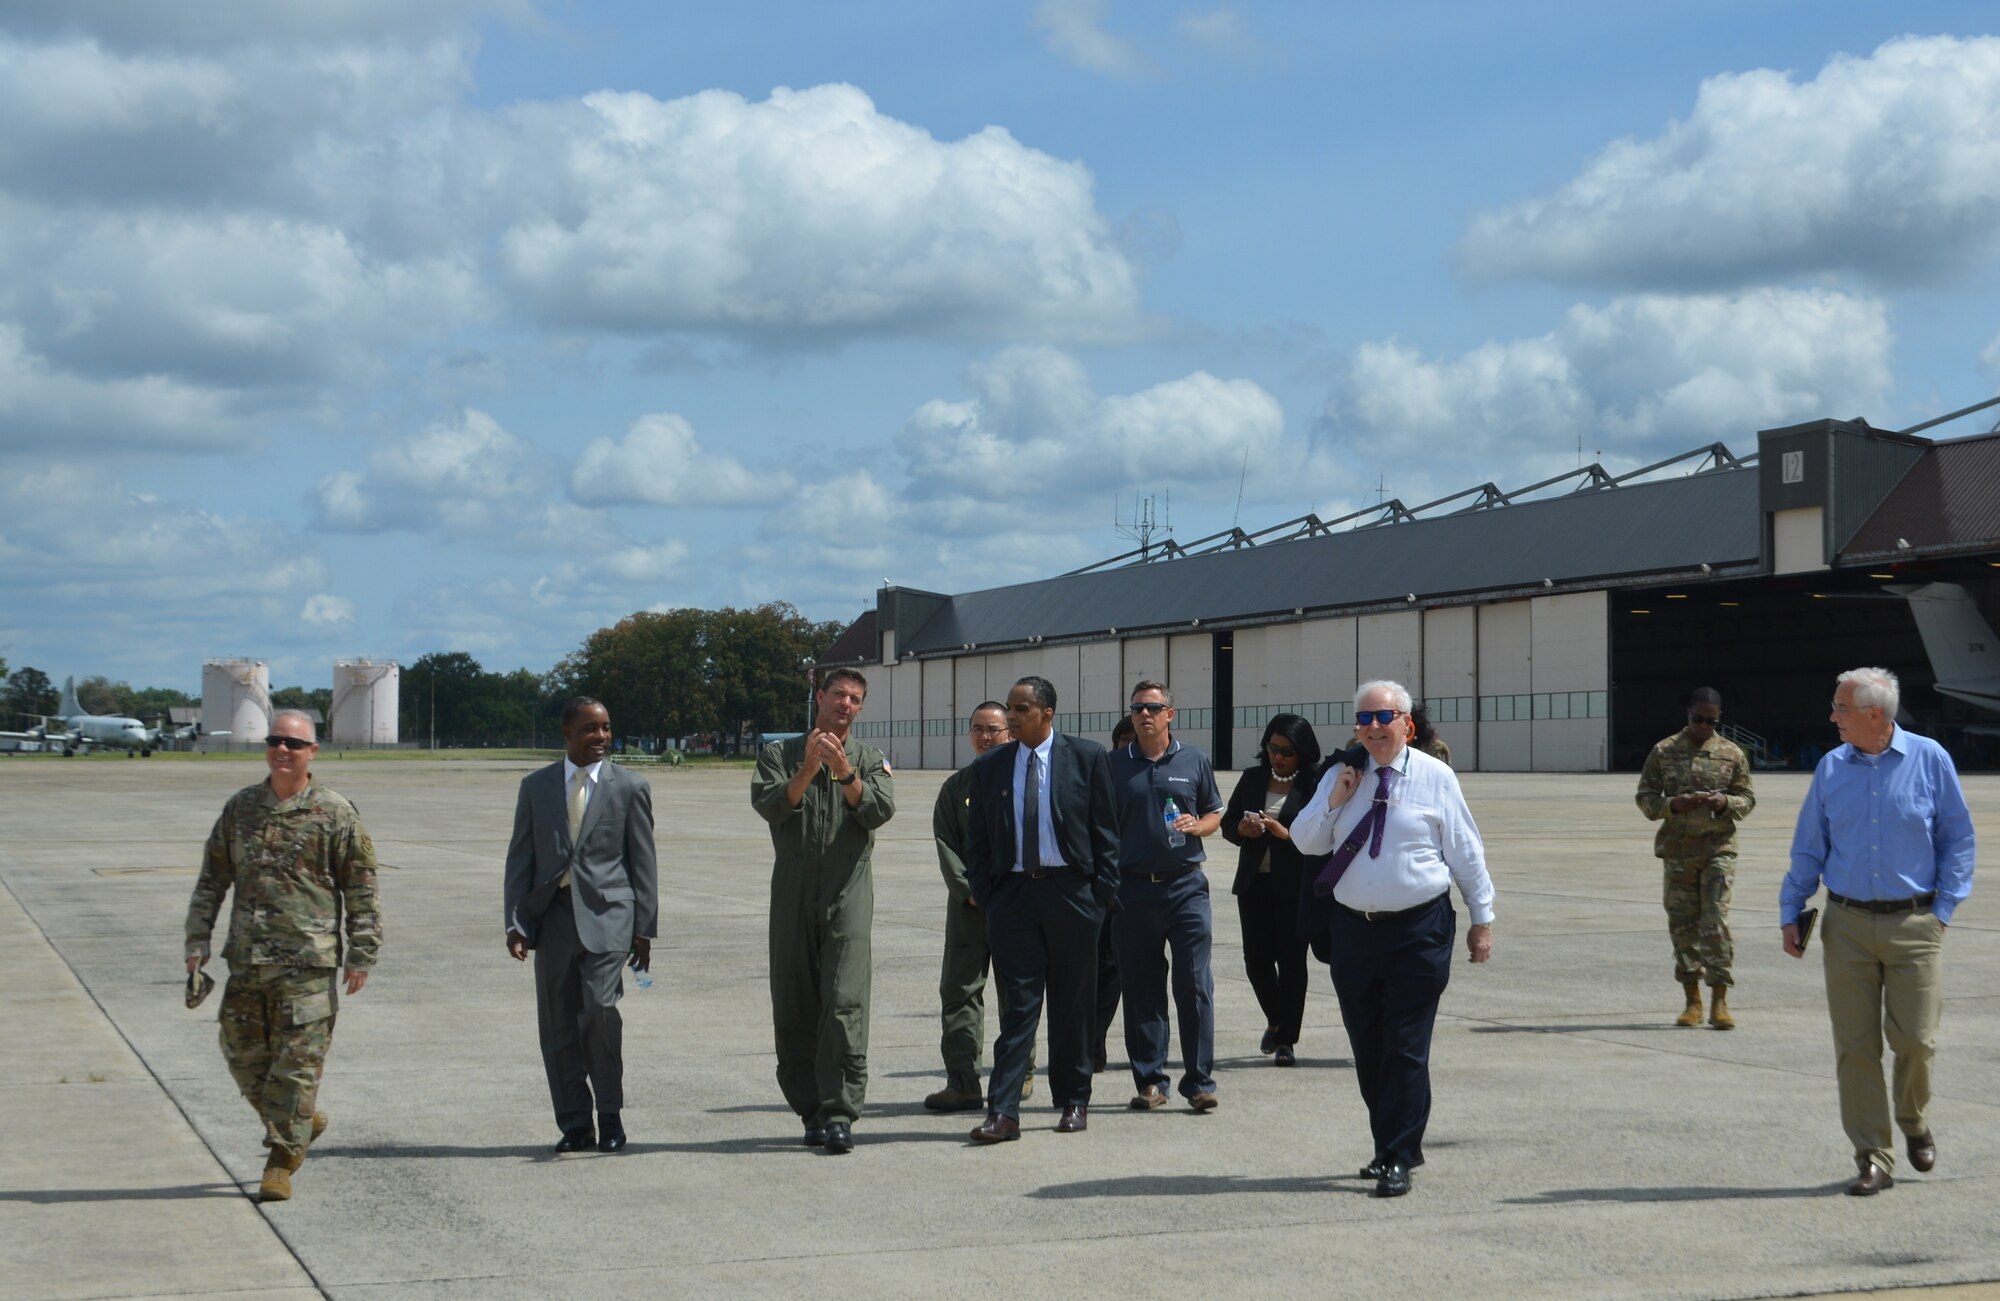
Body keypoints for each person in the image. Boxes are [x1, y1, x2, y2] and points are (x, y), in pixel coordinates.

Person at [1292, 680, 1495, 1198]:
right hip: (1354, 931)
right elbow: (1306, 839)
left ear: (1407, 723)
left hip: (1419, 931)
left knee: (1406, 1045)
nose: (1374, 728)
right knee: (1369, 1045)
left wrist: (1481, 917)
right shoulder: (1340, 775)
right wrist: (1336, 799)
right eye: (1364, 720)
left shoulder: (1435, 777)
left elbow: (1465, 851)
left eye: (1385, 718)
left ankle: (1394, 1154)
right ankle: (1397, 1142)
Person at [1781, 667, 1976, 1197]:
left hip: (1915, 923)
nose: (1832, 717)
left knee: (1916, 1039)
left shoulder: (1930, 760)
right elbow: (1809, 844)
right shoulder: (1830, 768)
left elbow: (1958, 838)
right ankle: (1874, 1155)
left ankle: (1913, 1120)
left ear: (1874, 714)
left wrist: (1943, 912)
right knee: (1856, 1046)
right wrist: (1791, 906)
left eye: (1840, 708)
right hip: (1845, 924)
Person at [184, 709, 382, 1202]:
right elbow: (212, 879)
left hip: (308, 965)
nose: (283, 750)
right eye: (275, 740)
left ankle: (280, 1160)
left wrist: (362, 952)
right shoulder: (241, 809)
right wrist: (197, 941)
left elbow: (360, 886)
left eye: (295, 743)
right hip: (246, 962)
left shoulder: (334, 813)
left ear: (313, 751)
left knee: (295, 1069)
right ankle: (301, 1120)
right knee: (243, 1057)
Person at [964, 676, 1119, 1142]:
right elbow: (979, 841)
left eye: (1021, 709)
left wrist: (1099, 897)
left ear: (1047, 713)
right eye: (1010, 708)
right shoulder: (991, 767)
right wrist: (990, 897)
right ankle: (1004, 1111)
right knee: (1019, 1008)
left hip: (1072, 895)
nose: (1010, 716)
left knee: (1073, 1005)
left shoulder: (1086, 758)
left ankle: (1074, 1099)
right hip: (1014, 898)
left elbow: (1106, 834)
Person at [503, 697, 659, 1155]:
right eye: (591, 729)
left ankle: (609, 1116)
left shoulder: (629, 786)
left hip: (611, 918)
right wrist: (516, 921)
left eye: (607, 728)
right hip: (552, 919)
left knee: (599, 1011)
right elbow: (521, 858)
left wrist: (643, 929)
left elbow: (643, 861)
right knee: (556, 1026)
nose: (602, 737)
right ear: (567, 733)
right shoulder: (536, 786)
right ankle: (575, 1124)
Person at [751, 668, 894, 1154]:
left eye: (855, 698)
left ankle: (839, 1112)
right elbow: (772, 806)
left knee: (843, 1001)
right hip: (792, 890)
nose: (846, 704)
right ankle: (809, 1110)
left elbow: (877, 811)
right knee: (794, 1002)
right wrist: (809, 767)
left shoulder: (870, 759)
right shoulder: (779, 753)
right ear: (819, 696)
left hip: (848, 887)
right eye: (839, 695)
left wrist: (844, 772)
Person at [1108, 680, 1226, 1112]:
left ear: (1170, 714)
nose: (1145, 714)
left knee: (1194, 985)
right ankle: (1150, 1082)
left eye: (1153, 707)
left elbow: (1215, 811)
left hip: (1185, 887)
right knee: (1141, 989)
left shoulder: (1194, 760)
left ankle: (1199, 1082)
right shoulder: (1115, 765)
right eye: (1138, 707)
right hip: (1132, 889)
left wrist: (1201, 826)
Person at [926, 702, 1033, 1111]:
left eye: (994, 729)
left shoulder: (1026, 778)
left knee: (1018, 993)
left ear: (1011, 733)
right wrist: (968, 889)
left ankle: (1019, 1074)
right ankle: (963, 1080)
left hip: (1016, 905)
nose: (986, 737)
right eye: (978, 729)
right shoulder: (957, 787)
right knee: (959, 991)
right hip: (968, 907)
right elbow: (946, 843)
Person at [1635, 687, 1755, 1029]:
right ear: (1687, 714)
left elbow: (1747, 798)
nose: (1703, 726)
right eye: (1698, 719)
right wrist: (1673, 805)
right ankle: (1692, 1001)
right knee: (1683, 924)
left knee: (1714, 919)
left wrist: (1725, 804)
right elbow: (1645, 798)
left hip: (1719, 849)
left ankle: (1720, 1000)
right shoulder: (1664, 751)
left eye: (1711, 721)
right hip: (1678, 852)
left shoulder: (1732, 753)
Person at [1219, 713, 1324, 1067]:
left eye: (1287, 751)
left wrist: (1288, 835)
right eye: (1272, 748)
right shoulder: (1252, 779)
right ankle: (1276, 1019)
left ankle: (1286, 1041)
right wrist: (1243, 831)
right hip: (1254, 885)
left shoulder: (1315, 783)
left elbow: (1326, 835)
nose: (1277, 756)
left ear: (1303, 752)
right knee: (1256, 962)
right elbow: (1227, 822)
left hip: (1295, 888)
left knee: (1292, 963)